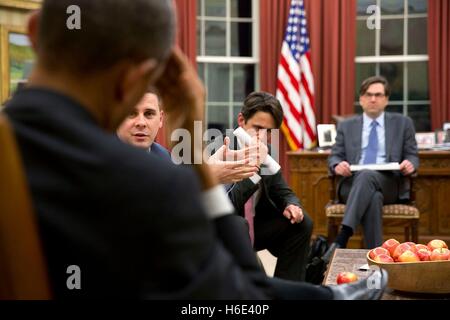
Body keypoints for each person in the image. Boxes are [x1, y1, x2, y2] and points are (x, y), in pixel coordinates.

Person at [3, 0, 386, 299]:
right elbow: (245, 293)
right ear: (138, 79)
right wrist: (200, 175)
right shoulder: (150, 184)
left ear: (34, 33)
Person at [323, 76, 419, 262]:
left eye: (378, 95)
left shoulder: (403, 123)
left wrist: (410, 164)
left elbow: (412, 155)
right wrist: (337, 165)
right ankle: (377, 261)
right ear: (361, 99)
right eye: (368, 95)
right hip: (352, 184)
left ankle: (343, 237)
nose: (373, 99)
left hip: (389, 182)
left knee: (368, 178)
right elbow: (334, 156)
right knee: (373, 197)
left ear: (386, 99)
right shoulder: (346, 125)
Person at [224, 91, 313, 282]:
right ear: (241, 120)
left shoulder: (269, 153)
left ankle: (289, 289)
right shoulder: (221, 149)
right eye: (257, 128)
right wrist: (255, 168)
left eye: (269, 131)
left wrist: (291, 205)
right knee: (239, 225)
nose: (262, 137)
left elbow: (283, 190)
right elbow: (228, 204)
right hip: (226, 228)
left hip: (256, 227)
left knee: (302, 223)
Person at [117, 91, 170, 159]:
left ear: (160, 119)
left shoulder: (166, 159)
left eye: (149, 114)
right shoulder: (100, 158)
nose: (141, 123)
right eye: (131, 113)